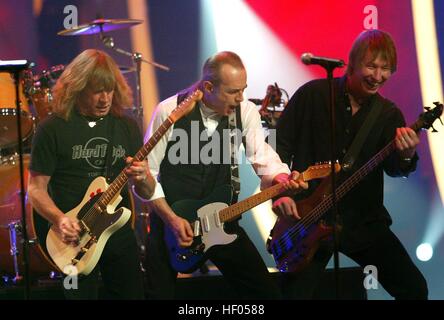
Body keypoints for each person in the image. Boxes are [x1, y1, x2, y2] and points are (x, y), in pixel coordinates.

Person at [273, 29, 428, 299]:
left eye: (385, 69)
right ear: (352, 63)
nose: (377, 76)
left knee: (414, 289)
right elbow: (278, 147)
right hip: (308, 219)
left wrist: (406, 154)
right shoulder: (312, 95)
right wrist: (282, 191)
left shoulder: (389, 114)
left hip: (362, 222)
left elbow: (395, 168)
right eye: (371, 66)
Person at [141, 51, 307, 299]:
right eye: (233, 91)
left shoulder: (245, 111)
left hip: (222, 220)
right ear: (208, 87)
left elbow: (263, 157)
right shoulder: (168, 111)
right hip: (170, 224)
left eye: (243, 89)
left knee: (265, 295)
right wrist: (172, 220)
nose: (241, 98)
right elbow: (146, 176)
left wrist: (282, 179)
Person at [28, 49, 156, 299]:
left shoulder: (126, 126)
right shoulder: (52, 128)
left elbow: (147, 192)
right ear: (76, 89)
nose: (105, 99)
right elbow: (35, 189)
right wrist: (59, 219)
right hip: (74, 238)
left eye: (109, 90)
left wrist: (144, 178)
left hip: (116, 233)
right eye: (96, 91)